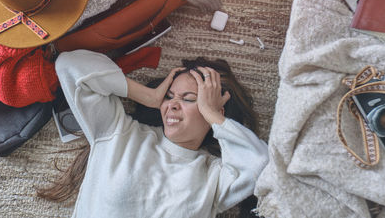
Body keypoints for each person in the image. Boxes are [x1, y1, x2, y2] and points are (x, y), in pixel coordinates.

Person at [38, 49, 269, 218]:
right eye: (169, 96)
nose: (173, 104)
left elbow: (260, 164)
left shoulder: (214, 177)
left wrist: (213, 114)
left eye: (189, 99)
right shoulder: (119, 132)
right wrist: (147, 96)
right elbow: (70, 65)